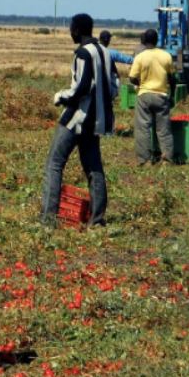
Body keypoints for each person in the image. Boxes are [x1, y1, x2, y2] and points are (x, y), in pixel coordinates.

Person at [40, 13, 119, 227]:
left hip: (77, 119)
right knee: (94, 168)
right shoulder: (105, 52)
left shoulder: (83, 53)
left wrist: (61, 97)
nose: (70, 33)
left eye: (71, 29)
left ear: (76, 30)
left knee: (54, 165)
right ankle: (97, 220)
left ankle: (47, 220)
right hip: (97, 121)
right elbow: (115, 84)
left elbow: (81, 88)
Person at [129, 29, 176, 165]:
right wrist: (171, 94)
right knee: (164, 129)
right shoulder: (166, 56)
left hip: (144, 95)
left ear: (144, 41)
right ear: (157, 40)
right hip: (161, 96)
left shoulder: (140, 57)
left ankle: (145, 161)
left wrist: (141, 84)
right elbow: (172, 78)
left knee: (143, 128)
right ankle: (167, 159)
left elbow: (132, 78)